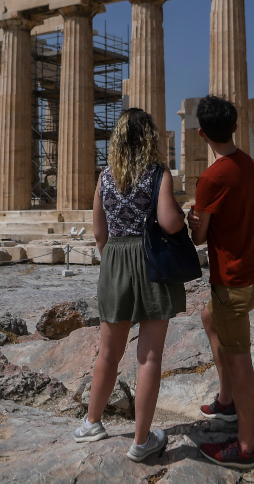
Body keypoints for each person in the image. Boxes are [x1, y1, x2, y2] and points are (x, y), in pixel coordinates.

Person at [74, 108, 187, 462]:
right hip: (150, 260)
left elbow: (98, 230)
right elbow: (169, 222)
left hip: (114, 261)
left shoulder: (104, 176)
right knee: (149, 355)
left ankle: (92, 422)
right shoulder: (158, 174)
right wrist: (185, 216)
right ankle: (141, 441)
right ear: (150, 139)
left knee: (109, 352)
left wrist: (112, 260)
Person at [187, 95, 254, 470]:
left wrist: (193, 221)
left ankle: (245, 447)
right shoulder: (248, 165)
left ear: (201, 134)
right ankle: (226, 400)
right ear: (235, 127)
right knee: (208, 318)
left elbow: (199, 238)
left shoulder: (211, 178)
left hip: (232, 280)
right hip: (250, 273)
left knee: (241, 362)